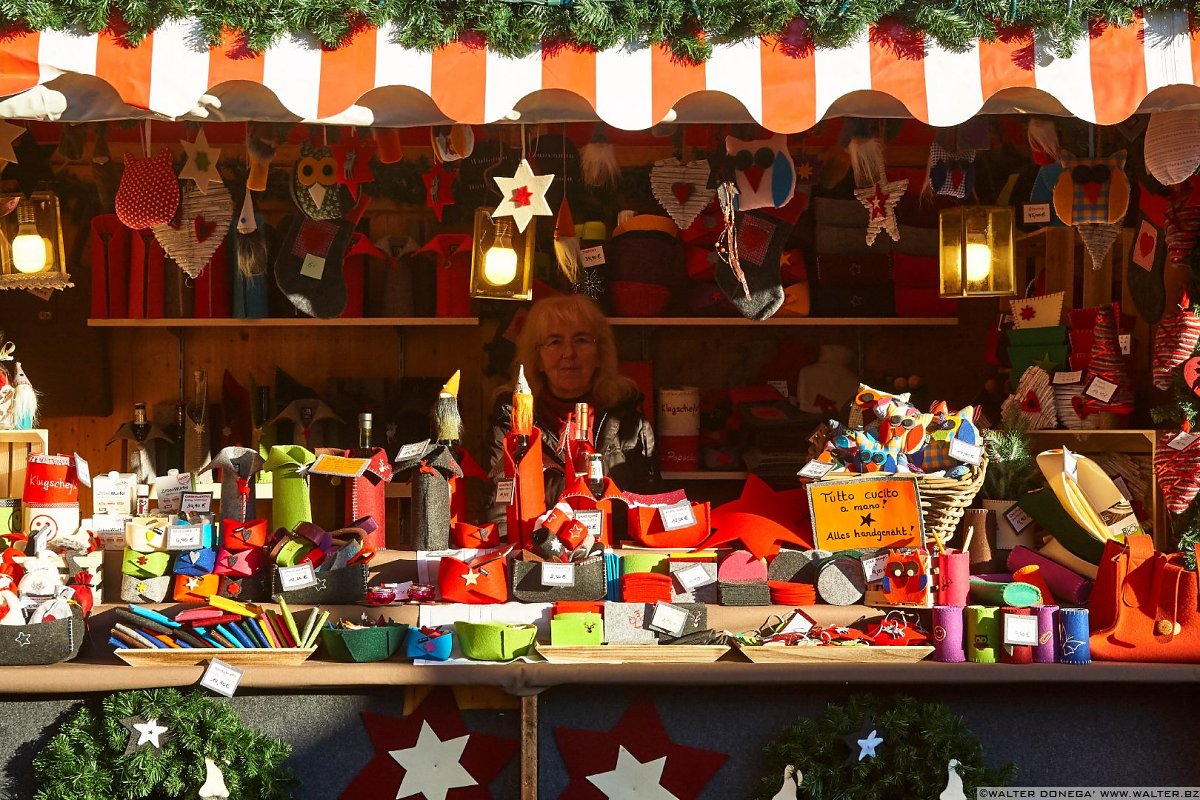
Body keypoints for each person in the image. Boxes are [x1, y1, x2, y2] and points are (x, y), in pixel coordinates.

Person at [486, 294, 659, 522]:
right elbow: (500, 510)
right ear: (537, 358)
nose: (569, 353)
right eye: (555, 341)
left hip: (613, 550)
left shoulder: (629, 419)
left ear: (600, 355)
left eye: (581, 340)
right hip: (536, 551)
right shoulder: (512, 417)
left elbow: (647, 508)